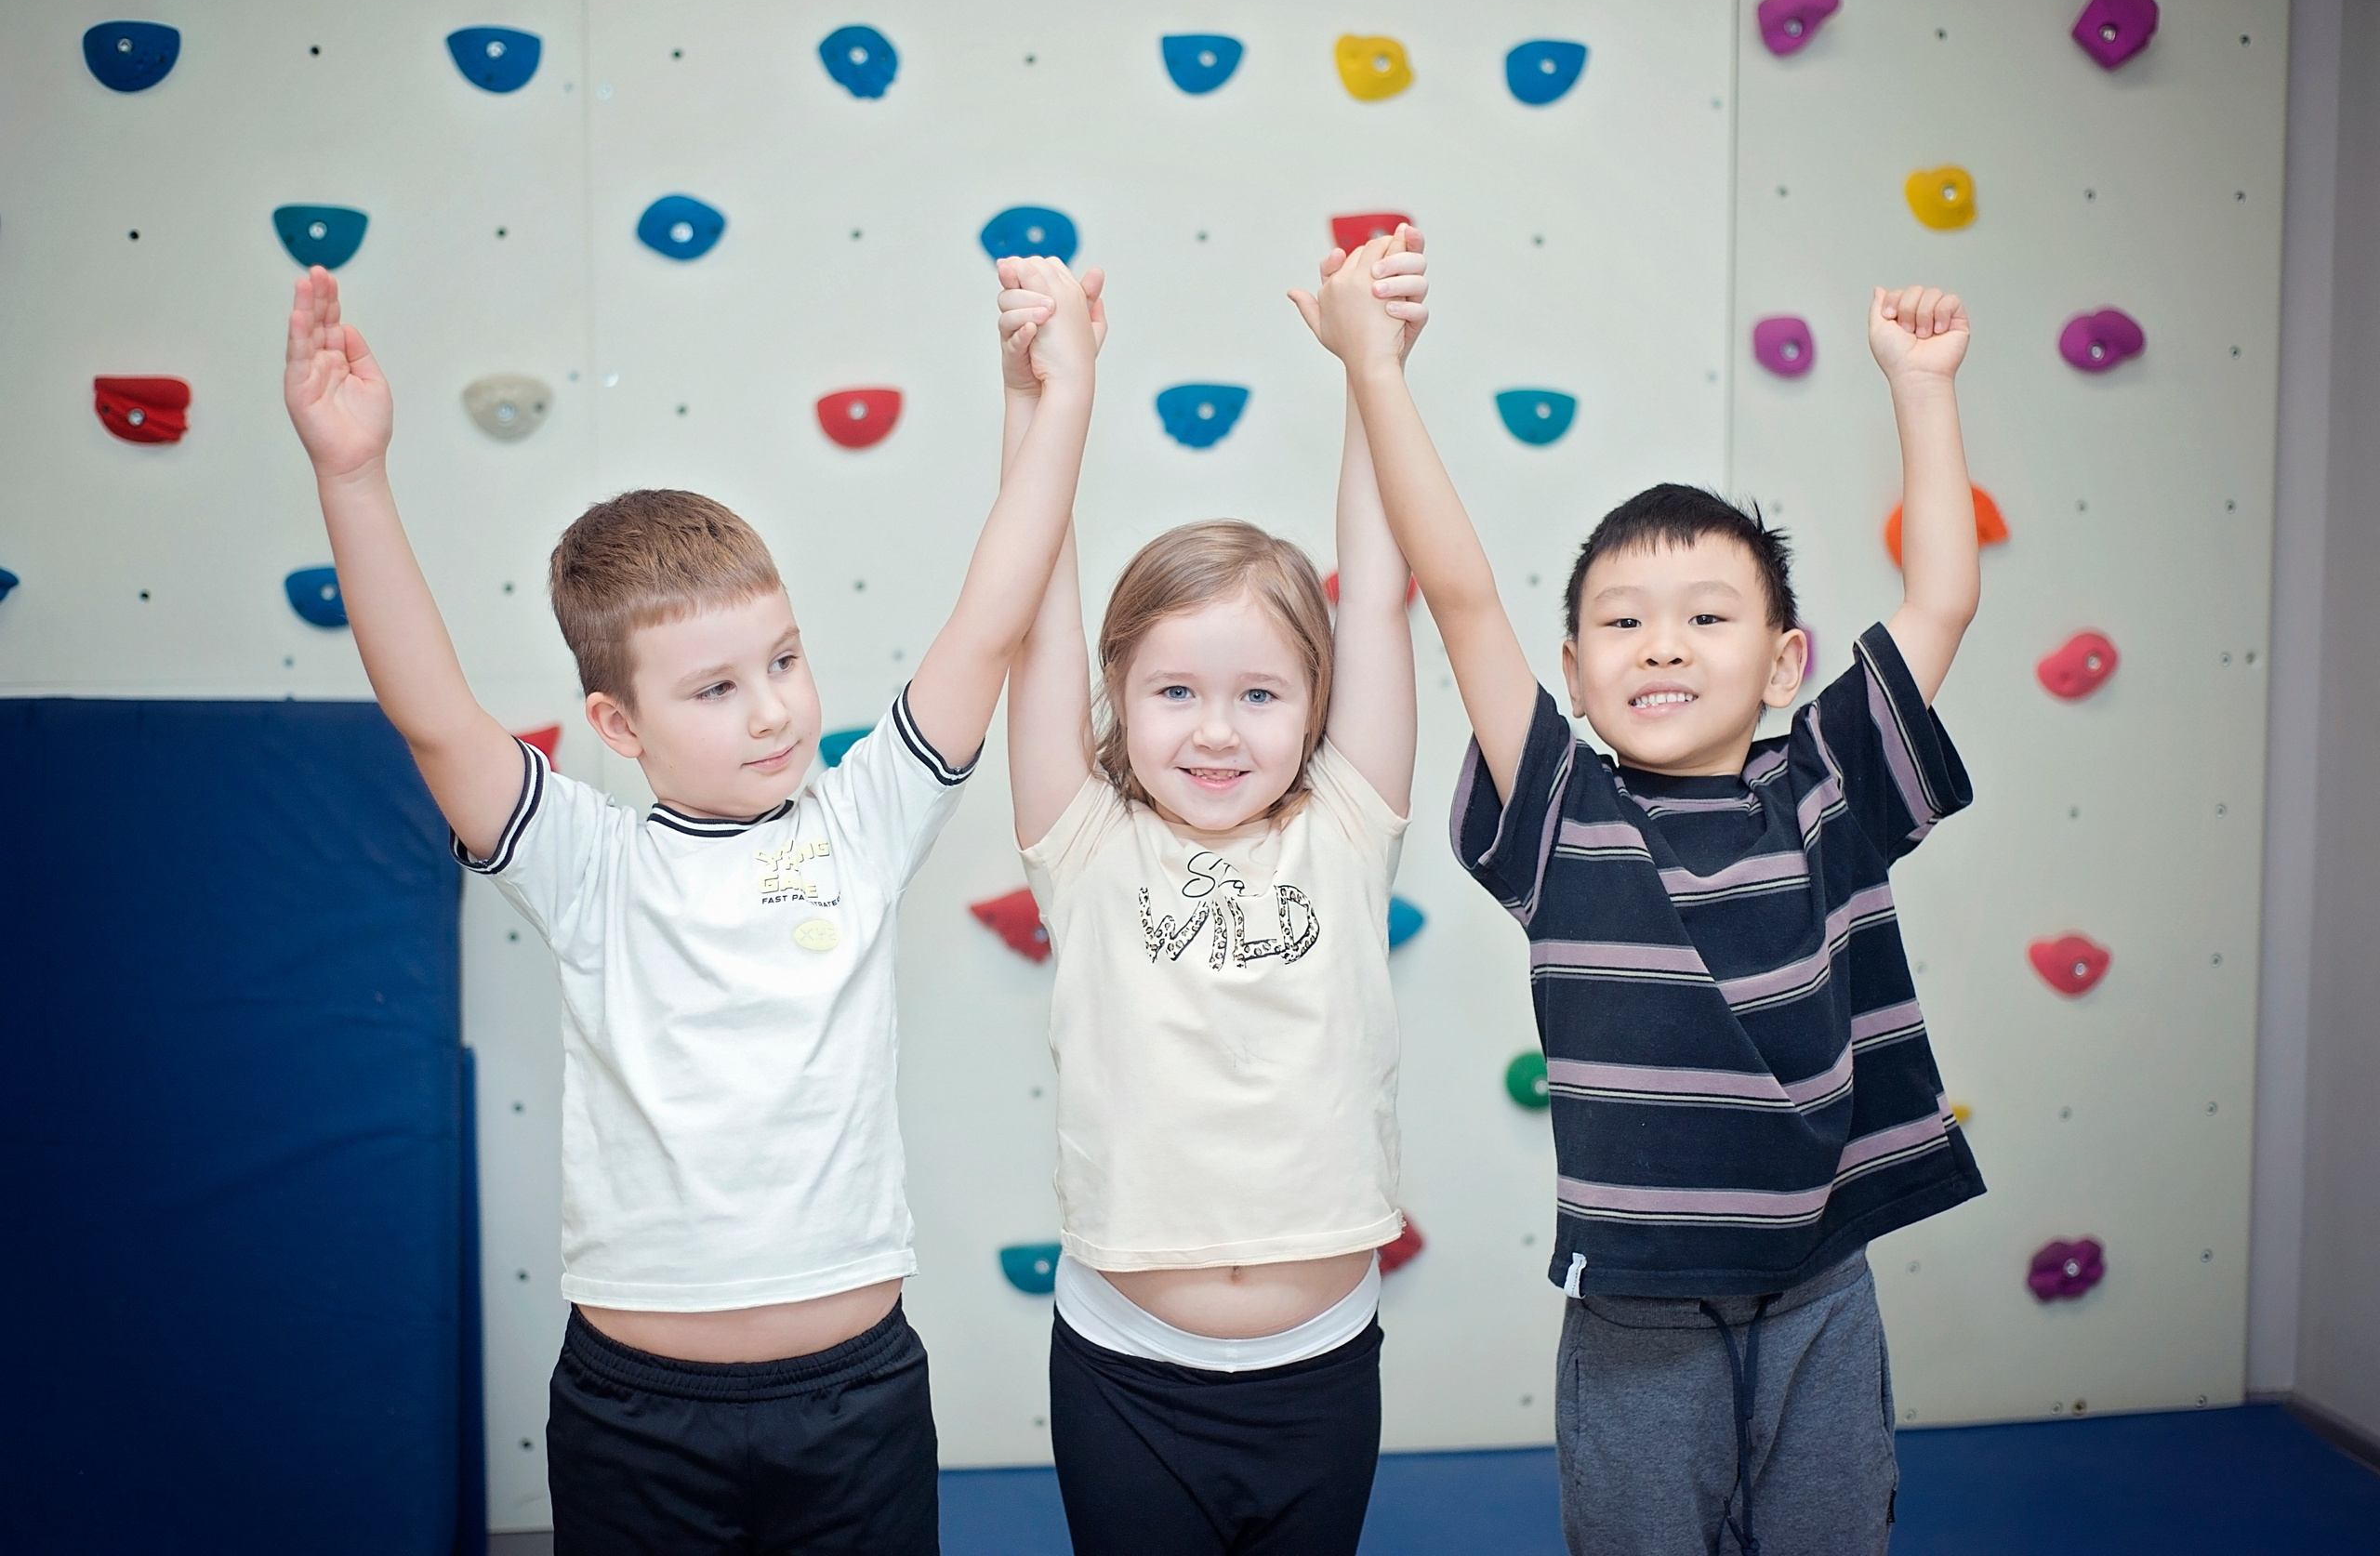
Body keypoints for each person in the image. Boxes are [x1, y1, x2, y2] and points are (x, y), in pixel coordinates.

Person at [281, 254, 1100, 1554]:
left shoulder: (862, 821)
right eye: (715, 689)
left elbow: (993, 616)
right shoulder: (589, 863)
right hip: (637, 1416)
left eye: (783, 660)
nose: (771, 708)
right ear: (618, 725)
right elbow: (433, 714)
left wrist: (1055, 397)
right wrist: (352, 476)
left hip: (855, 1399)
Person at [1305, 248, 1987, 1556]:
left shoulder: (1829, 784)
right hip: (1636, 1319)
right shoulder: (1563, 810)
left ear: (1785, 661)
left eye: (1708, 618)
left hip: (1823, 1299)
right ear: (1573, 671)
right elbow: (1460, 595)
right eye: (1622, 624)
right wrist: (1376, 369)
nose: (1663, 643)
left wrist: (1922, 387)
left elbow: (1942, 598)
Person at [1000, 231, 1430, 1556]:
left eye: (1260, 694)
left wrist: (1373, 368)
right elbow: (1033, 606)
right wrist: (1039, 391)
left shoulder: (1347, 826)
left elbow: (1381, 590)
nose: (1216, 731)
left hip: (1322, 1369)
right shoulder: (1083, 841)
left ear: (1316, 704)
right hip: (1124, 1375)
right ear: (1118, 697)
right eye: (1176, 690)